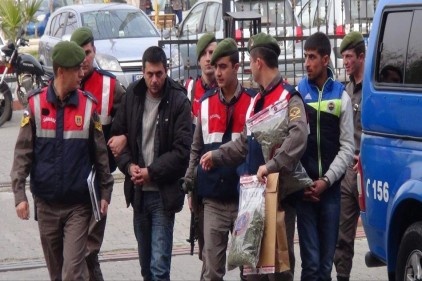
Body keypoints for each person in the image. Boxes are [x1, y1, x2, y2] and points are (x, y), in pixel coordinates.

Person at [199, 32, 309, 281]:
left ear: (259, 62)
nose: (249, 66)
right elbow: (243, 144)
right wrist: (216, 155)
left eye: (250, 61)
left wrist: (272, 165)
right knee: (252, 272)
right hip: (253, 200)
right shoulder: (256, 99)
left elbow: (298, 136)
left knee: (278, 269)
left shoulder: (288, 97)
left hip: (277, 198)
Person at [10, 41, 114, 281]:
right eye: (76, 69)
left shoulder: (88, 107)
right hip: (46, 206)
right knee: (57, 275)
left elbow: (100, 156)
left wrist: (105, 192)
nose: (81, 74)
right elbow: (22, 154)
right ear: (60, 72)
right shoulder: (35, 106)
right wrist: (19, 196)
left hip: (78, 207)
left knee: (71, 274)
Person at [110, 46, 192, 280]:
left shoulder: (178, 100)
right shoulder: (133, 96)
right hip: (138, 194)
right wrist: (128, 166)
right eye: (149, 74)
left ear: (166, 71)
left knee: (159, 267)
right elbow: (117, 138)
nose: (154, 80)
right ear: (142, 73)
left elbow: (182, 152)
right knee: (146, 267)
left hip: (163, 195)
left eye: (159, 74)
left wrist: (151, 172)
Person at [184, 38, 256, 281]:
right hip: (213, 200)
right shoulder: (204, 104)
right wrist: (190, 185)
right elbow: (195, 149)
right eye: (216, 67)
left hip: (243, 200)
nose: (218, 73)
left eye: (223, 66)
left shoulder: (252, 103)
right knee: (212, 271)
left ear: (236, 67)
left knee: (250, 271)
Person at [294, 31, 354, 281]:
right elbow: (290, 145)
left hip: (330, 194)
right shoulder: (297, 94)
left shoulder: (341, 96)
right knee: (310, 266)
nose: (306, 63)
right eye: (305, 57)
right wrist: (304, 183)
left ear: (326, 59)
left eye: (312, 57)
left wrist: (327, 180)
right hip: (305, 193)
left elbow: (347, 147)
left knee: (324, 266)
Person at [70, 26, 126, 281]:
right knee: (76, 251)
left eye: (88, 53)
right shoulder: (65, 84)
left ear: (94, 51)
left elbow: (128, 116)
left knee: (89, 249)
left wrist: (122, 137)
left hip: (97, 180)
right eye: (79, 54)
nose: (84, 59)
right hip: (70, 180)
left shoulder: (110, 85)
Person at [333, 31, 365, 281]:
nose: (345, 62)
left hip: (368, 167)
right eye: (343, 57)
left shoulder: (374, 88)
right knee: (342, 234)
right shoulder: (346, 90)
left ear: (362, 56)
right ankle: (342, 276)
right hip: (348, 171)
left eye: (349, 56)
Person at [184, 32, 218, 263]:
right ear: (198, 61)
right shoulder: (190, 89)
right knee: (205, 244)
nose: (209, 58)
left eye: (212, 53)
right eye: (205, 54)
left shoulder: (225, 88)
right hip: (199, 173)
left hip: (222, 166)